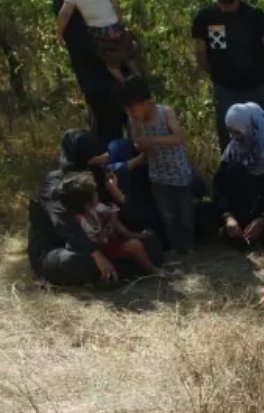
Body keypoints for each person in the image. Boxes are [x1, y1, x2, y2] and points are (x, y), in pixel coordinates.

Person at [27, 129, 165, 286]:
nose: (105, 156)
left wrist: (117, 195)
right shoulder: (56, 185)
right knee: (80, 262)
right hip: (62, 248)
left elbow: (115, 213)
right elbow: (66, 226)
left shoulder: (97, 174)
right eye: (97, 154)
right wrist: (95, 253)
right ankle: (117, 272)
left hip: (101, 241)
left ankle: (114, 273)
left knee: (151, 243)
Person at [121, 76, 195, 256]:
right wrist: (140, 145)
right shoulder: (134, 120)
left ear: (147, 102)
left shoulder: (165, 113)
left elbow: (178, 138)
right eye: (126, 109)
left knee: (184, 214)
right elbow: (136, 144)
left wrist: (152, 141)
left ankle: (189, 246)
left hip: (179, 174)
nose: (130, 112)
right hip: (157, 176)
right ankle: (176, 247)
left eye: (132, 108)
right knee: (167, 216)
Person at [191, 0, 264, 150]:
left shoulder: (256, 15)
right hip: (226, 91)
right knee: (231, 143)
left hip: (258, 89)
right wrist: (217, 73)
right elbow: (200, 53)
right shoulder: (205, 18)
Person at [213, 102, 264, 245]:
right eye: (231, 132)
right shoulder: (233, 150)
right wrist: (228, 217)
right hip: (245, 212)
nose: (234, 137)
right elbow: (219, 186)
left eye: (238, 132)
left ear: (253, 126)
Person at [60, 172, 160, 275]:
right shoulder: (78, 221)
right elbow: (93, 243)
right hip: (101, 248)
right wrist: (108, 225)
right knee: (135, 245)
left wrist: (112, 216)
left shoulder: (97, 208)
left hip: (110, 241)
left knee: (116, 220)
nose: (97, 194)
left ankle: (130, 234)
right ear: (86, 202)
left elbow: (113, 216)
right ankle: (152, 270)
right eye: (95, 193)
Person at [54, 0, 126, 143]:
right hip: (114, 33)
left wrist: (59, 33)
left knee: (105, 99)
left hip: (95, 48)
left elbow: (65, 13)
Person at [56, 0, 135, 81]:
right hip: (115, 24)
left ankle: (123, 81)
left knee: (110, 61)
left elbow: (65, 13)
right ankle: (137, 75)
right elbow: (114, 4)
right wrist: (120, 19)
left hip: (100, 31)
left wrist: (59, 32)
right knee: (128, 53)